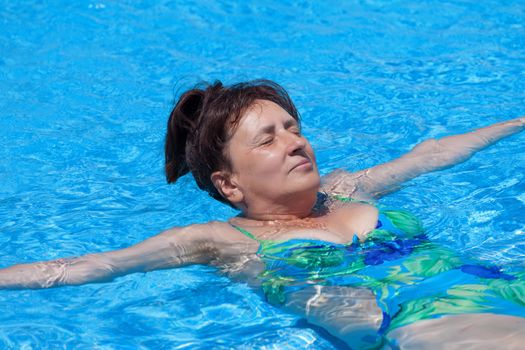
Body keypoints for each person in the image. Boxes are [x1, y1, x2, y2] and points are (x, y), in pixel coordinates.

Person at [1, 80, 524, 348]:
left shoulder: (348, 190)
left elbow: (429, 155)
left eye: (293, 128)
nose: (295, 143)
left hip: (494, 287)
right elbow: (96, 265)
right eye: (269, 140)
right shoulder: (219, 240)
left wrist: (517, 121)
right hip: (410, 326)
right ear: (229, 184)